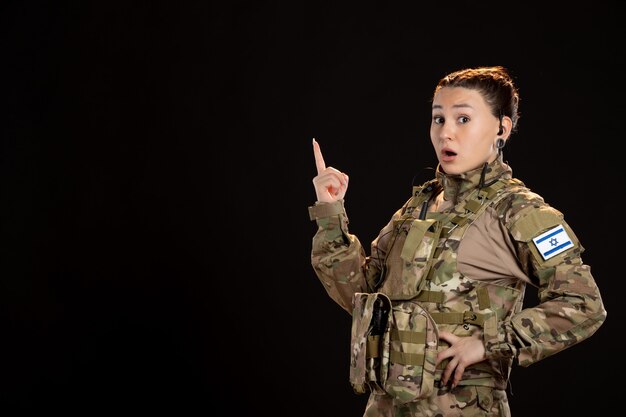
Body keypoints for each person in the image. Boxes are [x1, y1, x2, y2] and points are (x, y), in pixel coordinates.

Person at [308, 66, 607, 416]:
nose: (446, 132)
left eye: (463, 119)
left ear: (501, 129)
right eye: (438, 119)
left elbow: (584, 304)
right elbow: (359, 294)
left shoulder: (519, 211)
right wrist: (331, 213)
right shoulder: (418, 207)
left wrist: (486, 343)